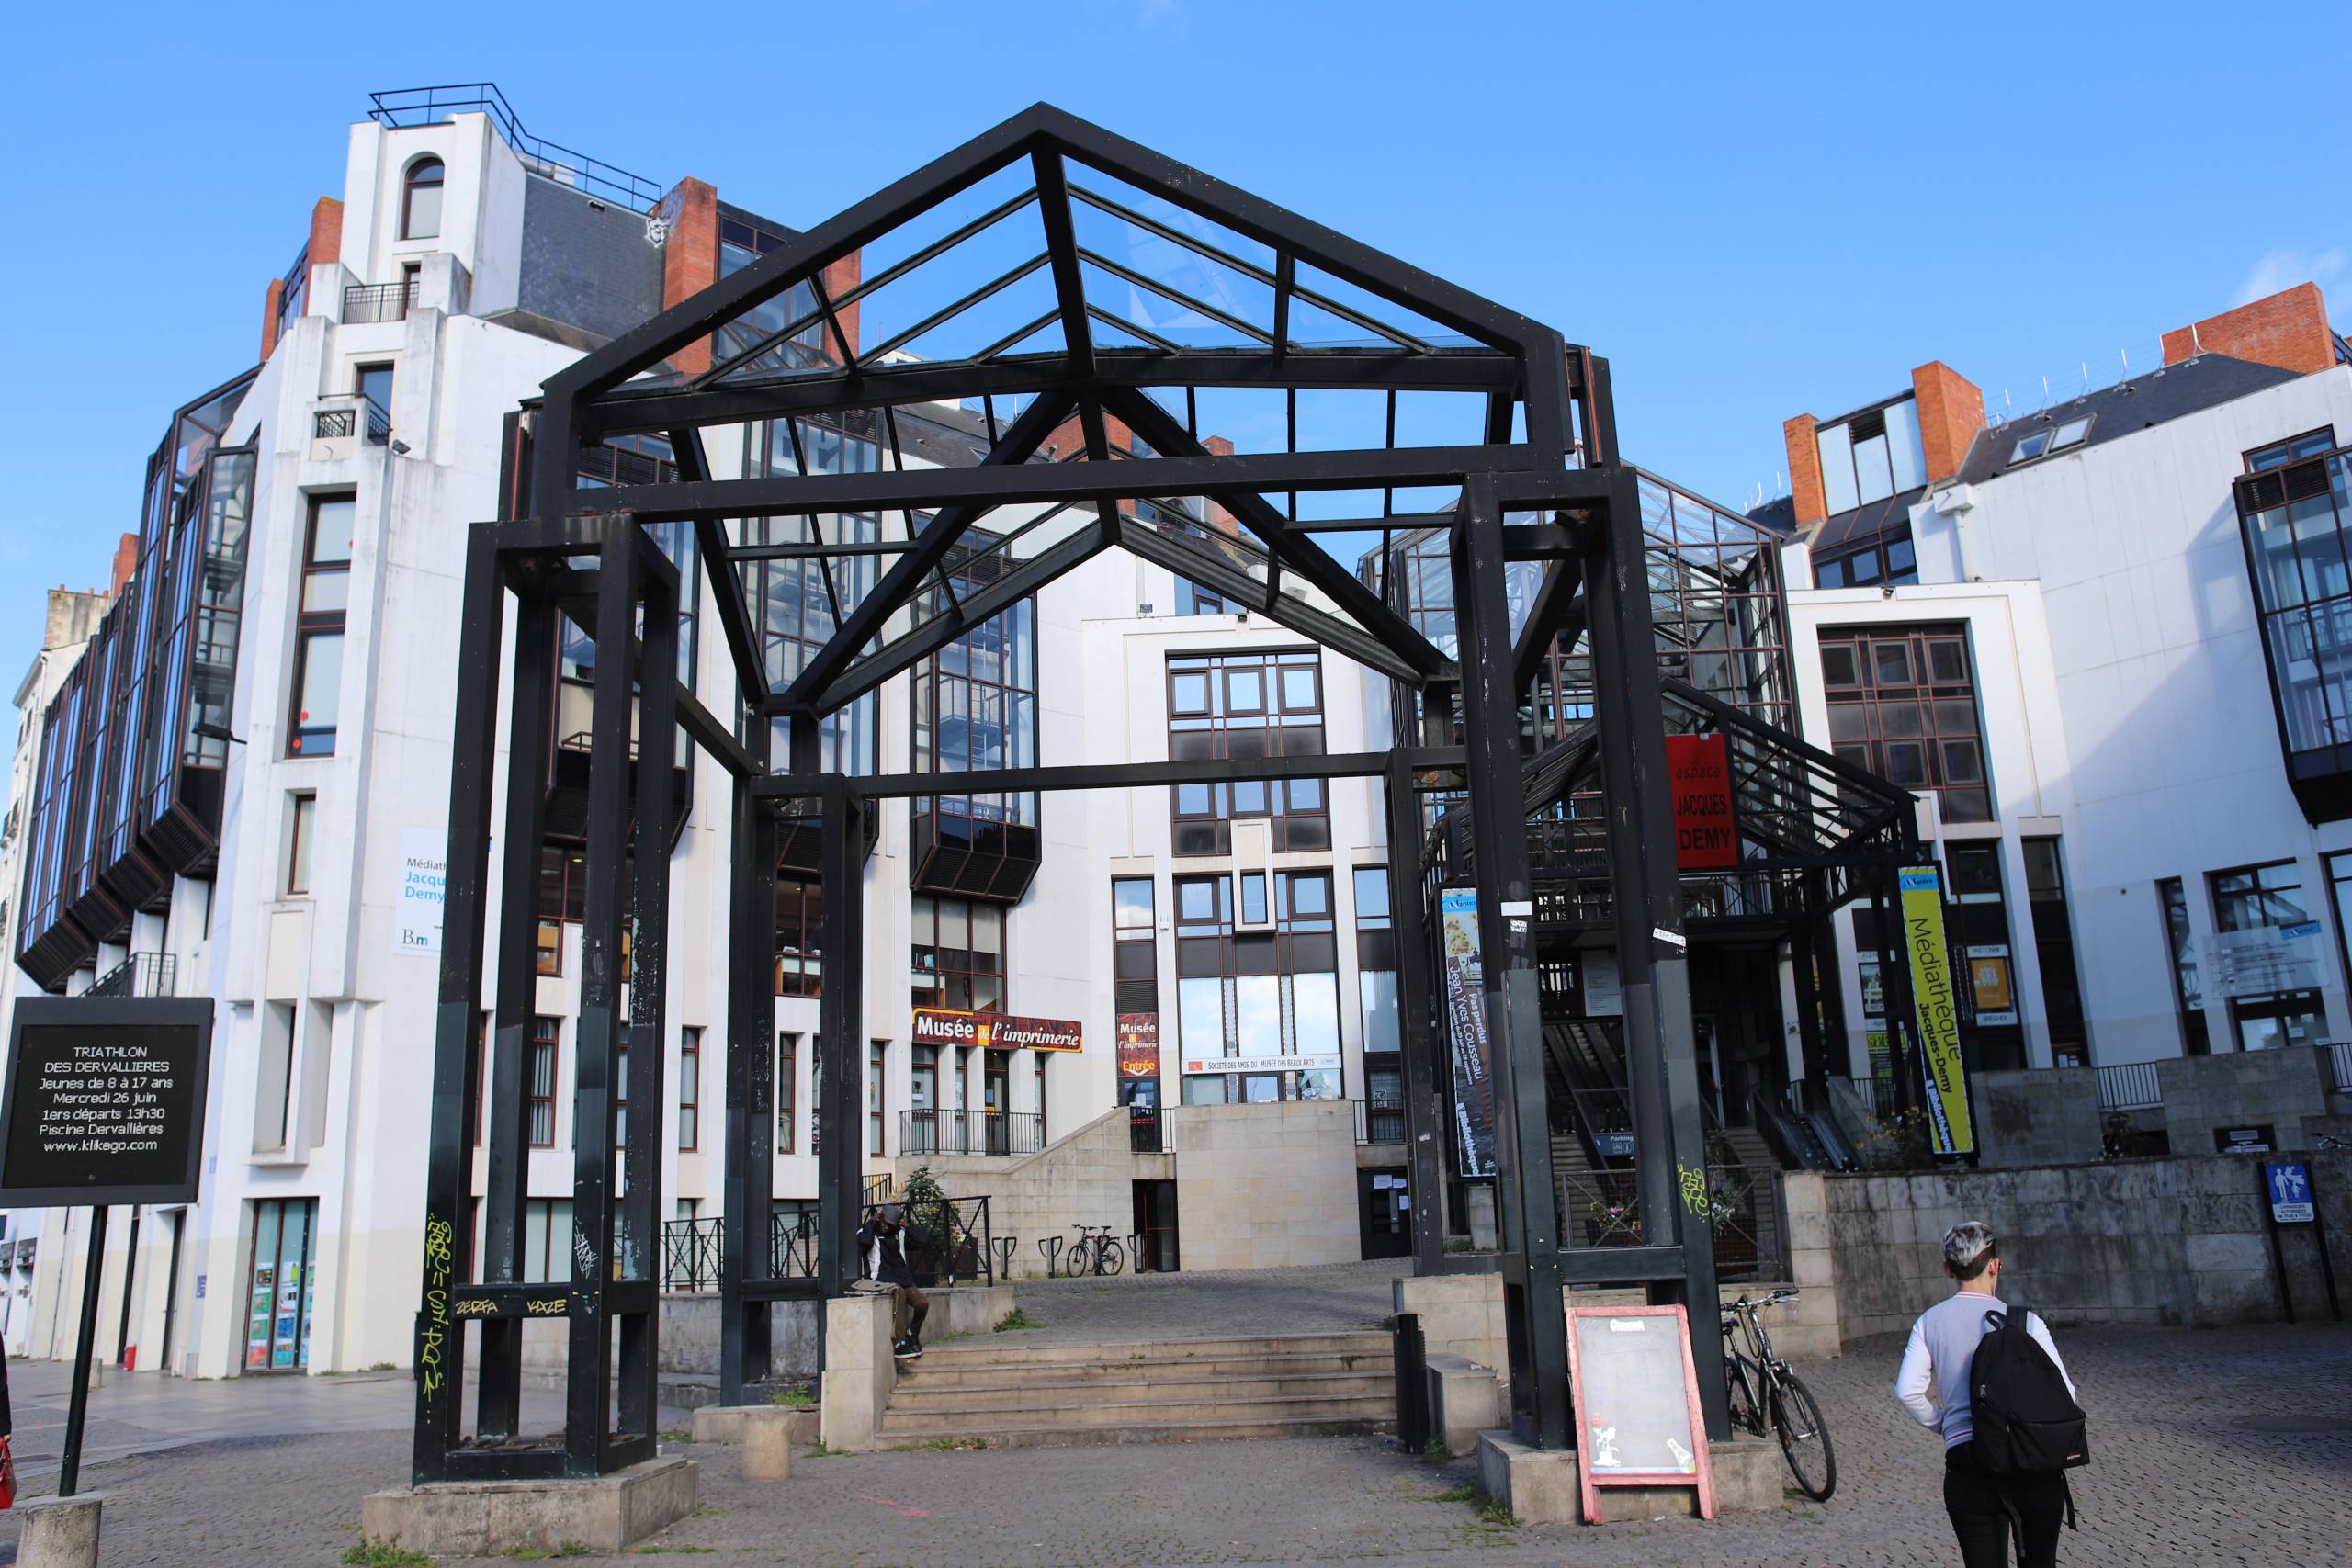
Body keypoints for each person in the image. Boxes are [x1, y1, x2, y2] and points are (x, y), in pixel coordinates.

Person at [1895, 1221, 2076, 1568]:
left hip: (1969, 1460)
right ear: (1996, 1265)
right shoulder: (2025, 1322)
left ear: (1948, 1270)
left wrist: (1946, 1424)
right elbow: (2066, 1393)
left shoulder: (1929, 1323)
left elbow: (1907, 1392)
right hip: (2032, 1460)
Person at [854, 1204, 929, 1360]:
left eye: (890, 1225)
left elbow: (922, 1242)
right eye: (883, 1223)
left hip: (902, 1278)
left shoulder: (899, 1233)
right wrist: (871, 1223)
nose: (885, 1227)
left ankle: (912, 1334)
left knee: (922, 1303)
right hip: (879, 1280)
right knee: (898, 1293)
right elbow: (864, 1242)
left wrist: (907, 1226)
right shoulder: (868, 1231)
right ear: (880, 1219)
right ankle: (899, 1342)